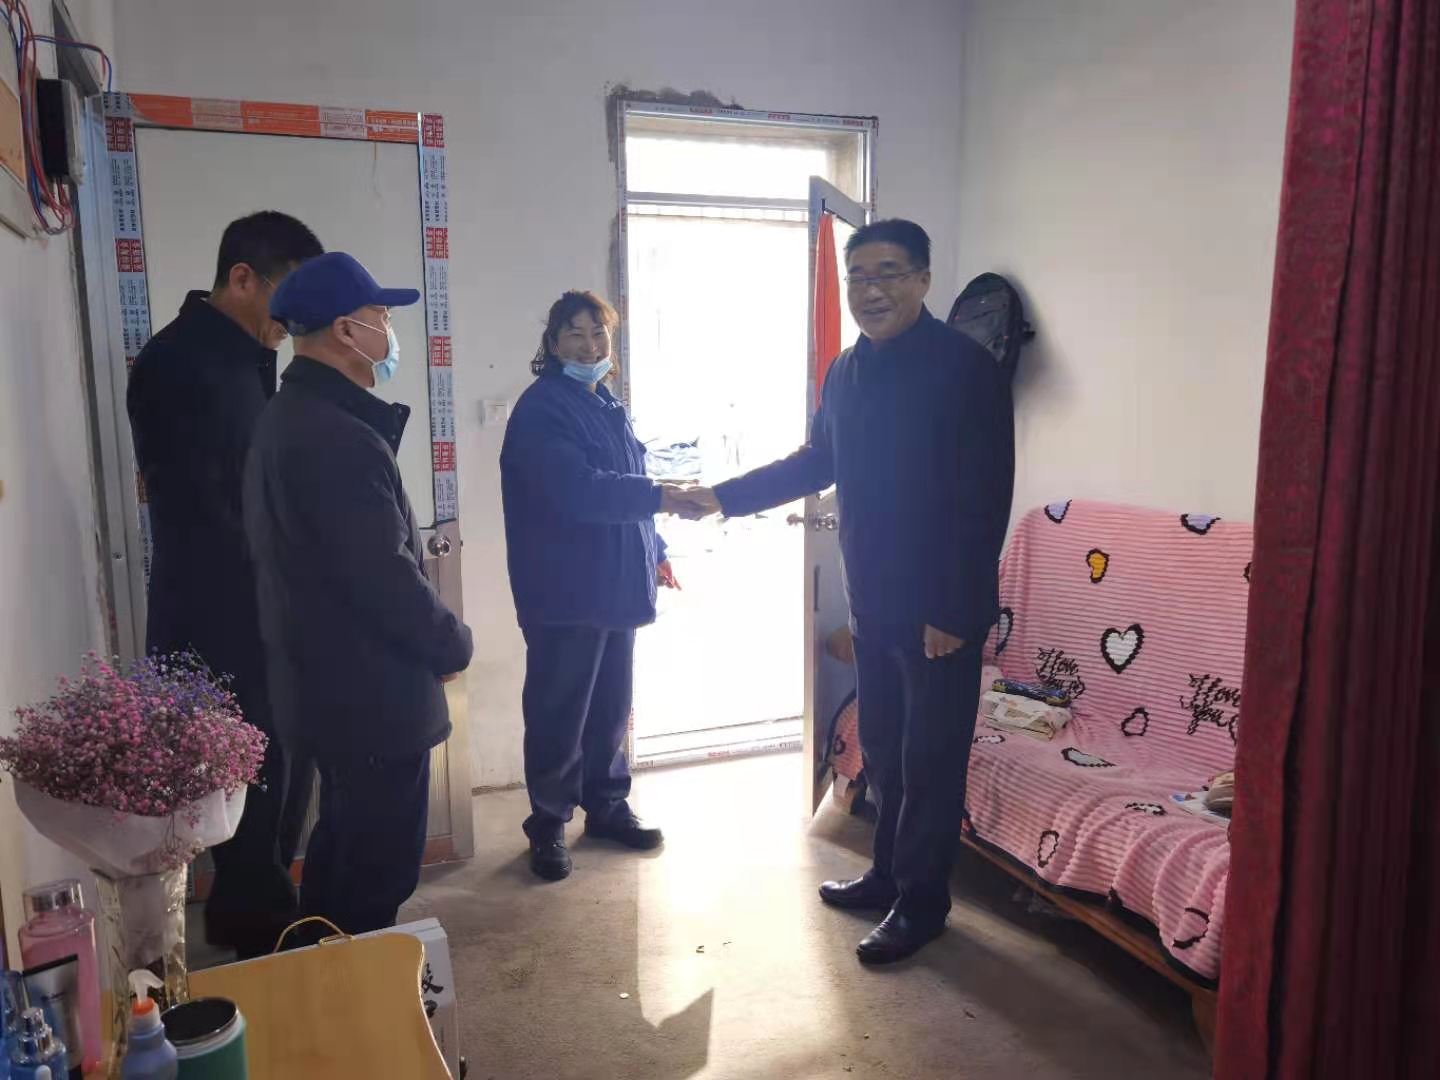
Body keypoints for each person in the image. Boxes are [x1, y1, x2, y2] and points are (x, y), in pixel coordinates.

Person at [686, 219, 1015, 964]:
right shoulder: (846, 371)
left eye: (889, 273)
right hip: (873, 598)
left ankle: (923, 905)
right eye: (858, 276)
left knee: (931, 761)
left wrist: (954, 610)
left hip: (939, 614)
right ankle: (888, 874)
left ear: (924, 279)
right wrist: (724, 497)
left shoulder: (966, 368)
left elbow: (984, 496)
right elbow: (817, 461)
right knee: (885, 750)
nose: (872, 290)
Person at [245, 251, 474, 934]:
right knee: (374, 875)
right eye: (382, 316)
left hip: (333, 690)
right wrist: (450, 642)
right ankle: (349, 988)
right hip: (371, 696)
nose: (389, 331)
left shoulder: (294, 415)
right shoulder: (335, 436)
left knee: (342, 854)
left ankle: (321, 969)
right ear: (347, 330)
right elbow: (382, 574)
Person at [126, 210, 323, 959]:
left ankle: (263, 934)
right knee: (248, 798)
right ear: (242, 279)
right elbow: (216, 515)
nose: (294, 318)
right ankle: (261, 954)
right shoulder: (179, 365)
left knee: (276, 792)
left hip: (259, 616)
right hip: (223, 625)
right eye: (287, 296)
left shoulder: (243, 358)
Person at [500, 290, 693, 881]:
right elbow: (579, 490)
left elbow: (628, 477)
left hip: (616, 584)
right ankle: (548, 824)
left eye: (599, 334)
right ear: (553, 342)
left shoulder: (606, 402)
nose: (590, 346)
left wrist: (656, 551)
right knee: (560, 713)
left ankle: (607, 806)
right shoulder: (543, 409)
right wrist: (662, 495)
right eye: (576, 334)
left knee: (610, 708)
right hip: (566, 592)